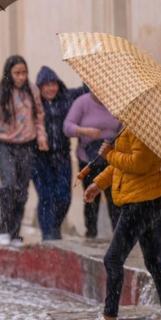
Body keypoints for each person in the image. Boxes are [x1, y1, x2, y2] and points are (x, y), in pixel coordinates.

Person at [75, 129, 161, 320]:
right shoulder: (130, 126)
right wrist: (98, 184)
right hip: (150, 200)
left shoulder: (145, 129)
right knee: (154, 262)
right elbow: (121, 167)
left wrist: (109, 155)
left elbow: (139, 164)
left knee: (113, 259)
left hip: (140, 204)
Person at [0, 55, 48, 247]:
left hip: (27, 145)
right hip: (3, 145)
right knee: (8, 184)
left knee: (22, 190)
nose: (21, 77)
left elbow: (39, 117)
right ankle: (3, 228)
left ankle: (15, 232)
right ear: (9, 73)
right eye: (17, 73)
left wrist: (41, 138)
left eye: (24, 72)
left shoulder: (32, 91)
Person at [31, 66, 88, 240]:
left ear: (58, 84)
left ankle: (54, 226)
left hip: (62, 156)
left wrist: (88, 73)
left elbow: (85, 90)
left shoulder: (67, 97)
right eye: (45, 85)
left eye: (53, 84)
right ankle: (49, 234)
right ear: (39, 87)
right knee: (46, 196)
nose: (50, 89)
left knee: (64, 197)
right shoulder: (33, 104)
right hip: (39, 158)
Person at [63, 91, 122, 238]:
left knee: (114, 198)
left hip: (112, 158)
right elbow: (67, 127)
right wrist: (84, 131)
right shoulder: (82, 103)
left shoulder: (117, 104)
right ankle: (91, 234)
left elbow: (123, 127)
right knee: (91, 198)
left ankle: (119, 236)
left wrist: (117, 140)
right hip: (89, 159)